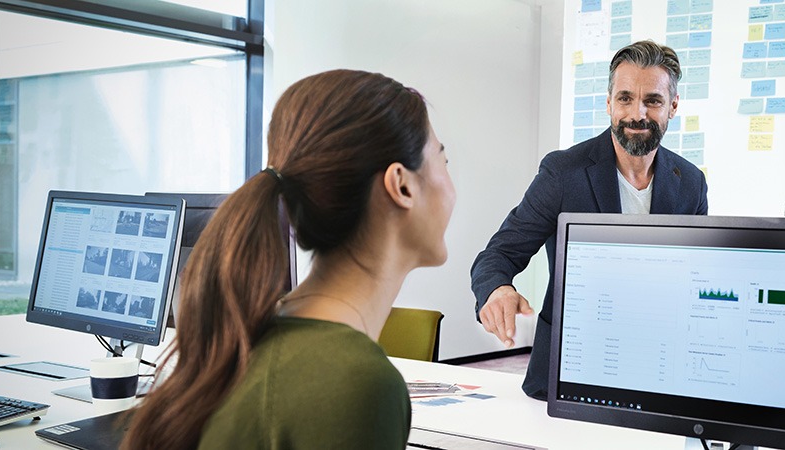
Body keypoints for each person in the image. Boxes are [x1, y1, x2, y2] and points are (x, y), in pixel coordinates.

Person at [123, 69, 454, 449]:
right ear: (402, 185)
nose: (450, 183)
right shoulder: (351, 380)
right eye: (443, 161)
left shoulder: (256, 331)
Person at [471, 40, 708, 400]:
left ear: (673, 106)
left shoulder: (690, 182)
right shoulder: (563, 173)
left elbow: (697, 279)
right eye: (625, 98)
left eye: (653, 101)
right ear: (609, 102)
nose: (637, 114)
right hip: (569, 370)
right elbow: (498, 254)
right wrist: (497, 289)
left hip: (658, 369)